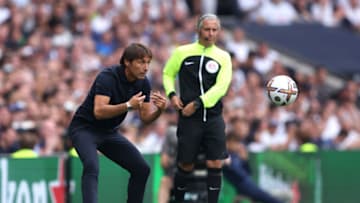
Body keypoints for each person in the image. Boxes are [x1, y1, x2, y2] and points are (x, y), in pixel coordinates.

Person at [67, 43, 167, 203]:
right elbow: (98, 112)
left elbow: (146, 119)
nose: (146, 67)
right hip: (84, 129)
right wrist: (128, 105)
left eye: (148, 62)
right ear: (127, 62)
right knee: (92, 165)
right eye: (141, 62)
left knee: (142, 169)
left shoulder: (143, 83)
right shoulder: (108, 77)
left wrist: (160, 111)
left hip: (108, 133)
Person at [163, 13, 232, 203]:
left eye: (214, 30)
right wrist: (172, 95)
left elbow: (221, 87)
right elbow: (168, 74)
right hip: (189, 118)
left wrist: (197, 103)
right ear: (198, 30)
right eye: (207, 29)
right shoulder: (182, 52)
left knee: (215, 162)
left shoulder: (223, 57)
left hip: (213, 117)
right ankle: (178, 200)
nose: (210, 34)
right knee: (185, 164)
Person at [223, 131, 283, 203]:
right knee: (270, 199)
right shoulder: (226, 156)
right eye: (235, 143)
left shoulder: (236, 155)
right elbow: (239, 174)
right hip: (243, 186)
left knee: (269, 198)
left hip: (247, 184)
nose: (238, 146)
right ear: (228, 142)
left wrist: (245, 160)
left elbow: (248, 173)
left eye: (238, 143)